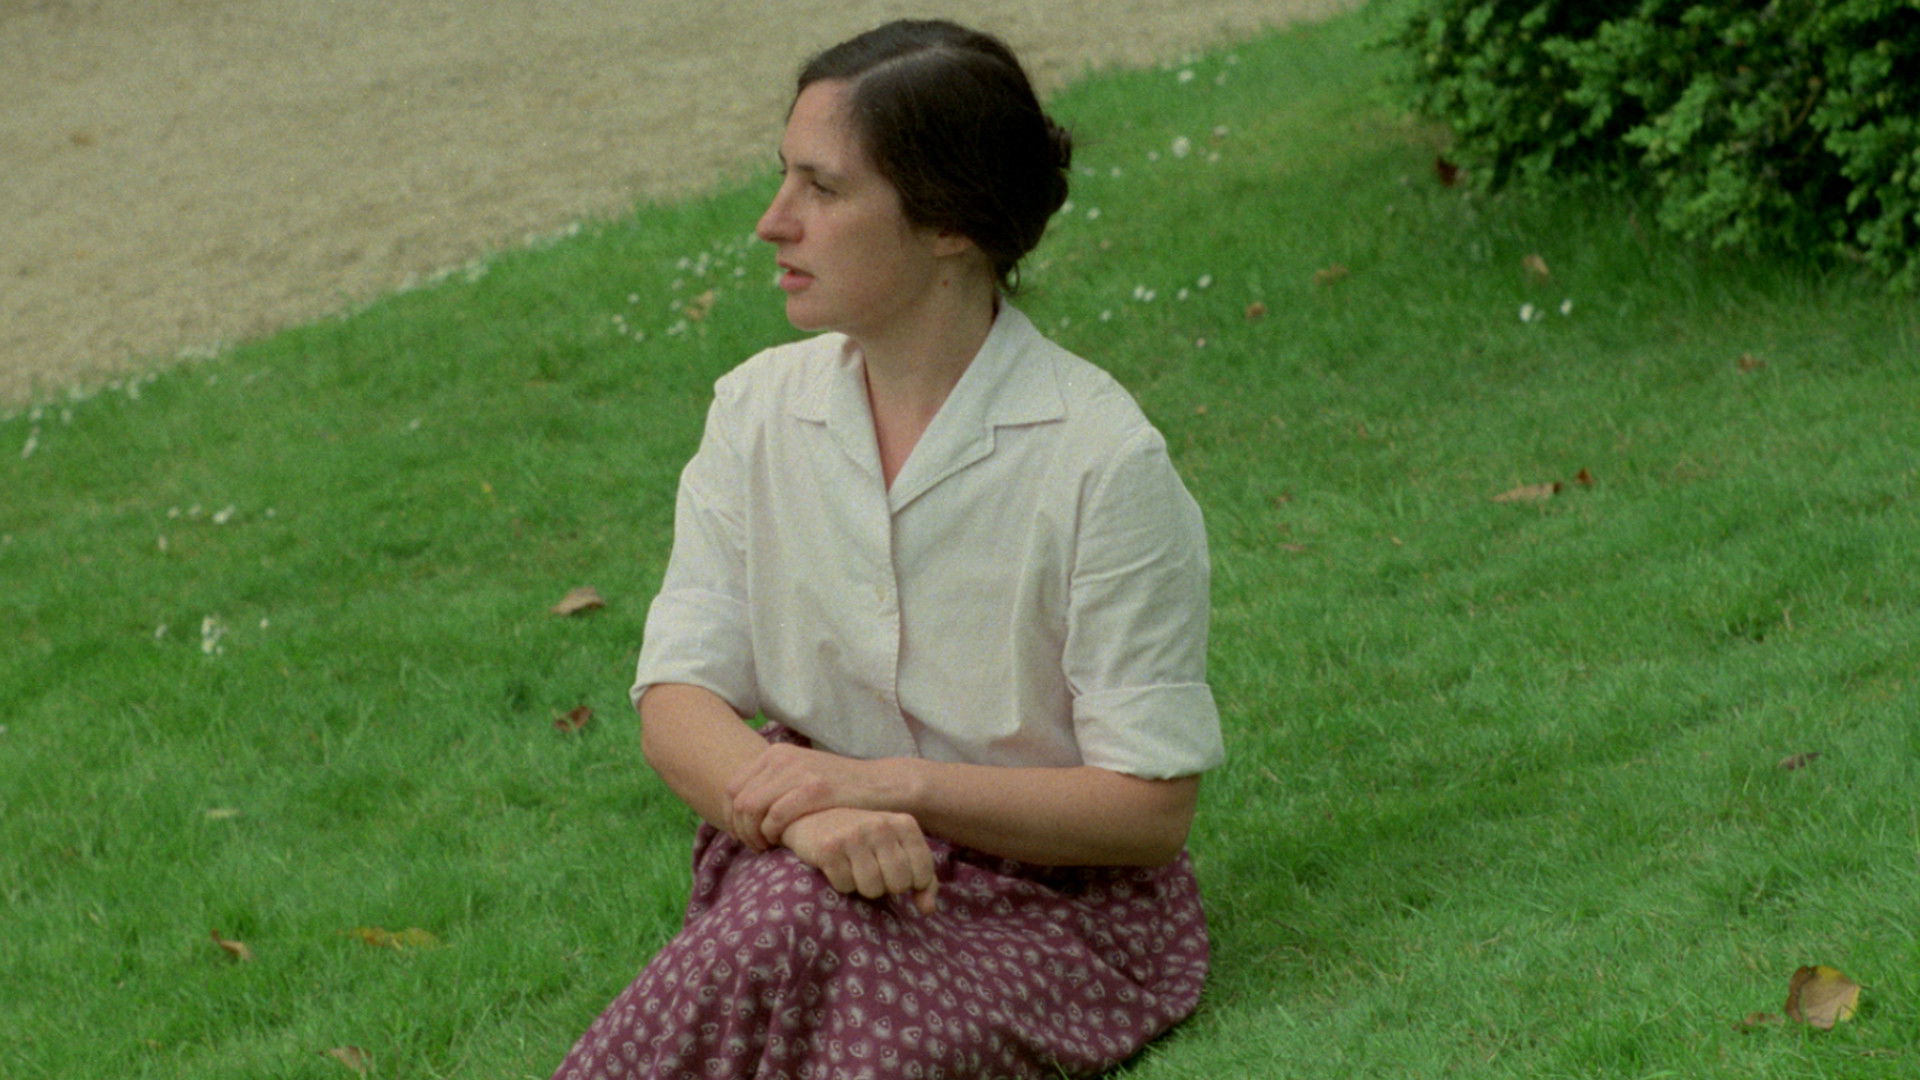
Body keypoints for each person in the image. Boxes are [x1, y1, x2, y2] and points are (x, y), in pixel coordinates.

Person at [552, 18, 1223, 1080]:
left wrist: (884, 788)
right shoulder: (756, 413)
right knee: (787, 920)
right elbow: (678, 696)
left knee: (814, 971)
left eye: (822, 189)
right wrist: (812, 820)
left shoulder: (1101, 460)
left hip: (1052, 900)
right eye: (784, 176)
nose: (773, 222)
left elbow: (1149, 811)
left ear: (949, 220)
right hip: (807, 851)